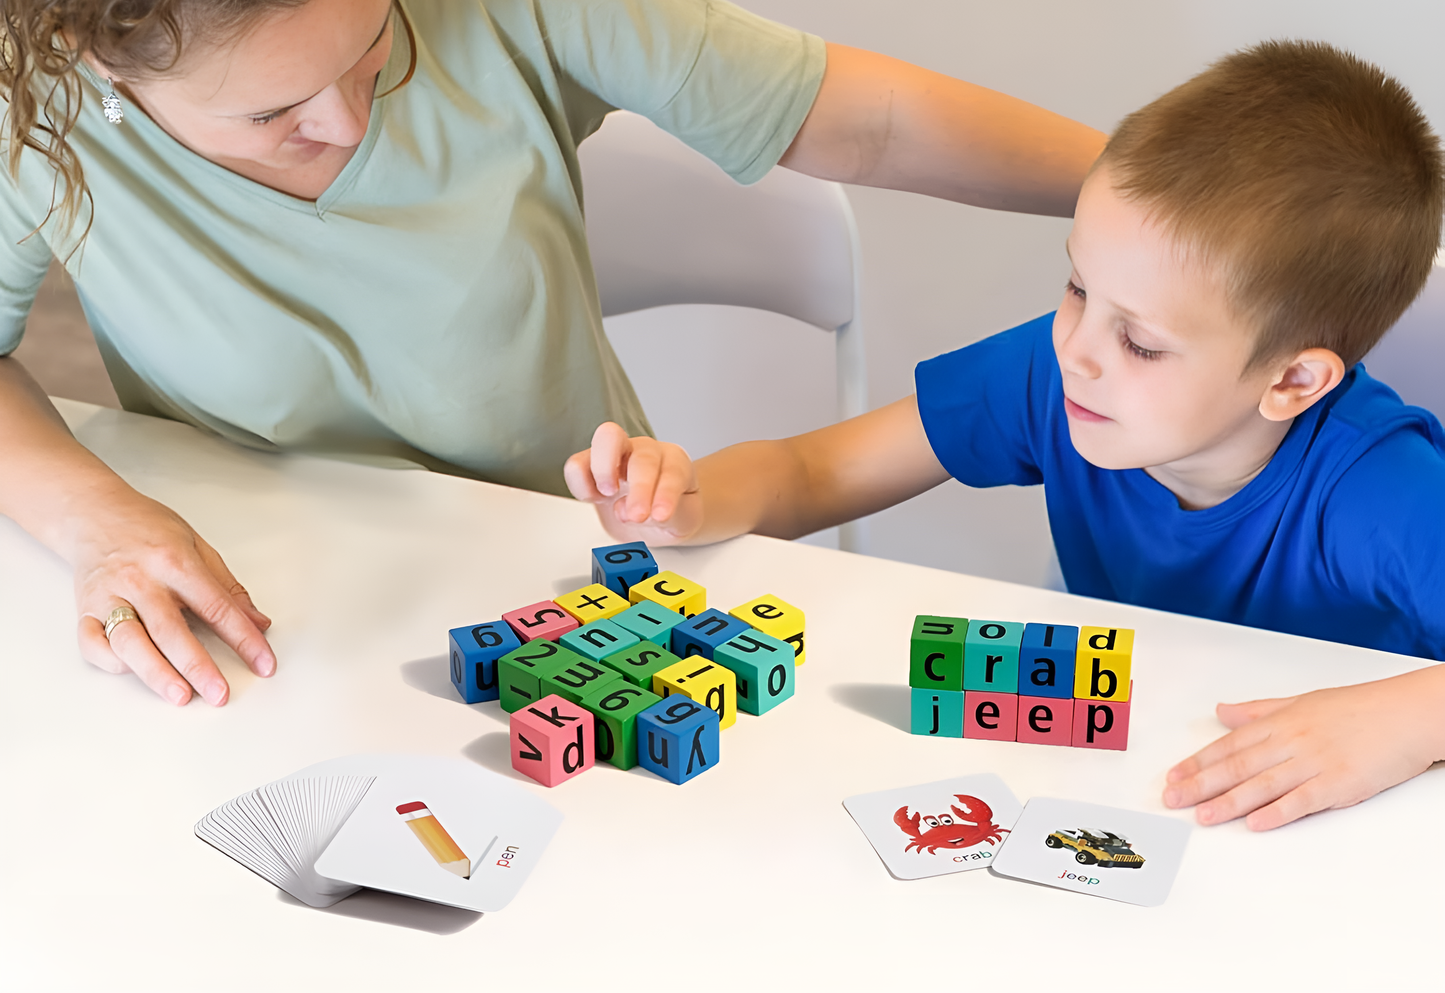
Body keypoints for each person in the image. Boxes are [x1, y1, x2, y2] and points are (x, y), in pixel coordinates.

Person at [0, 0, 1105, 711]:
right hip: (263, 621)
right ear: (95, 52)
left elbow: (857, 123)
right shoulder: (27, 91)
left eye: (372, 41)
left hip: (569, 584)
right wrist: (94, 516)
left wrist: (1145, 195)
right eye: (270, 112)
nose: (343, 120)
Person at [566, 41, 1445, 830]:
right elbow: (813, 468)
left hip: (1330, 824)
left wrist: (1404, 720)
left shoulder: (1383, 489)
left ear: (1292, 380)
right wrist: (689, 499)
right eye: (1074, 287)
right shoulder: (1054, 369)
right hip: (1138, 779)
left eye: (1139, 340)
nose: (1077, 350)